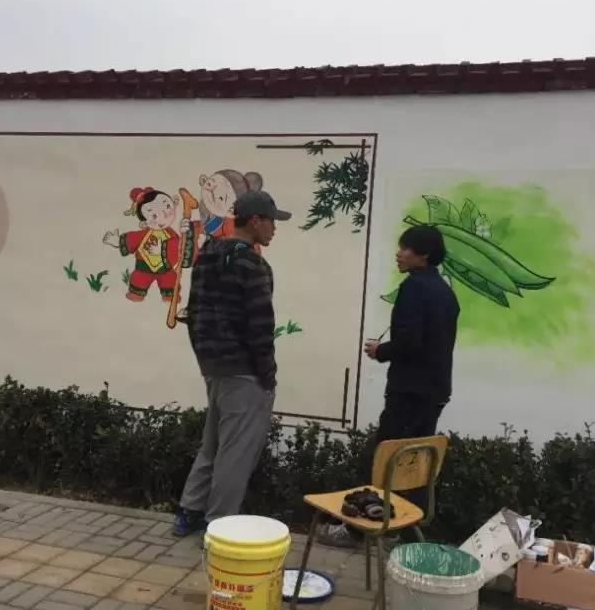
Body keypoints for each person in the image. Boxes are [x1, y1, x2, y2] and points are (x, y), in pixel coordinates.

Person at [317, 224, 459, 548]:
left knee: (385, 461)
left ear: (423, 255)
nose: (399, 253)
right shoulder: (445, 292)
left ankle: (358, 531)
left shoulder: (414, 288)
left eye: (406, 248)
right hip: (435, 392)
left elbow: (410, 342)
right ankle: (409, 537)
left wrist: (380, 351)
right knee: (415, 466)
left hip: (409, 391)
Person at [173, 190, 291, 537]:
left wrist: (205, 357)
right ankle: (218, 526)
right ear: (255, 221)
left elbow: (193, 314)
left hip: (213, 367)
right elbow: (260, 327)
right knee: (236, 454)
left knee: (212, 443)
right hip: (245, 371)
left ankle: (189, 512)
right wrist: (267, 375)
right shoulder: (254, 266)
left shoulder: (206, 257)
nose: (274, 229)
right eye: (271, 221)